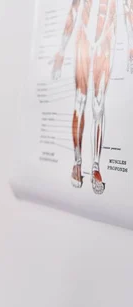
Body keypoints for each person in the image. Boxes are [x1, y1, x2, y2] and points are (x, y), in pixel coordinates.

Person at [52, 0, 133, 194]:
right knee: (79, 100)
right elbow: (74, 8)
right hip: (84, 37)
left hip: (106, 39)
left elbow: (129, 7)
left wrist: (131, 45)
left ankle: (95, 166)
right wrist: (61, 51)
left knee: (98, 104)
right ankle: (77, 163)